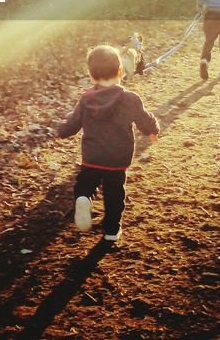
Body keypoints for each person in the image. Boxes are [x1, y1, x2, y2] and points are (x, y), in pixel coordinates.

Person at [56, 45, 159, 242]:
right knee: (114, 193)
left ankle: (84, 199)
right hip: (118, 159)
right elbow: (144, 119)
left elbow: (72, 123)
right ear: (120, 71)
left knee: (85, 184)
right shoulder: (130, 99)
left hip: (93, 156)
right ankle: (111, 231)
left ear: (91, 75)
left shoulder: (86, 100)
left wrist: (60, 131)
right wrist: (153, 129)